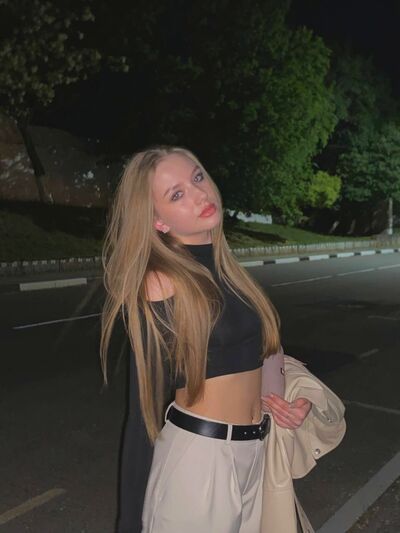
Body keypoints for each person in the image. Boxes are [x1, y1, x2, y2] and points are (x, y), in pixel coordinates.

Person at [100, 145, 312, 533]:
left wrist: (283, 405)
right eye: (176, 194)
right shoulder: (161, 282)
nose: (199, 194)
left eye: (197, 177)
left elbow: (258, 354)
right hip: (200, 465)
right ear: (158, 221)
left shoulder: (231, 272)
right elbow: (142, 412)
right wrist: (128, 523)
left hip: (253, 452)